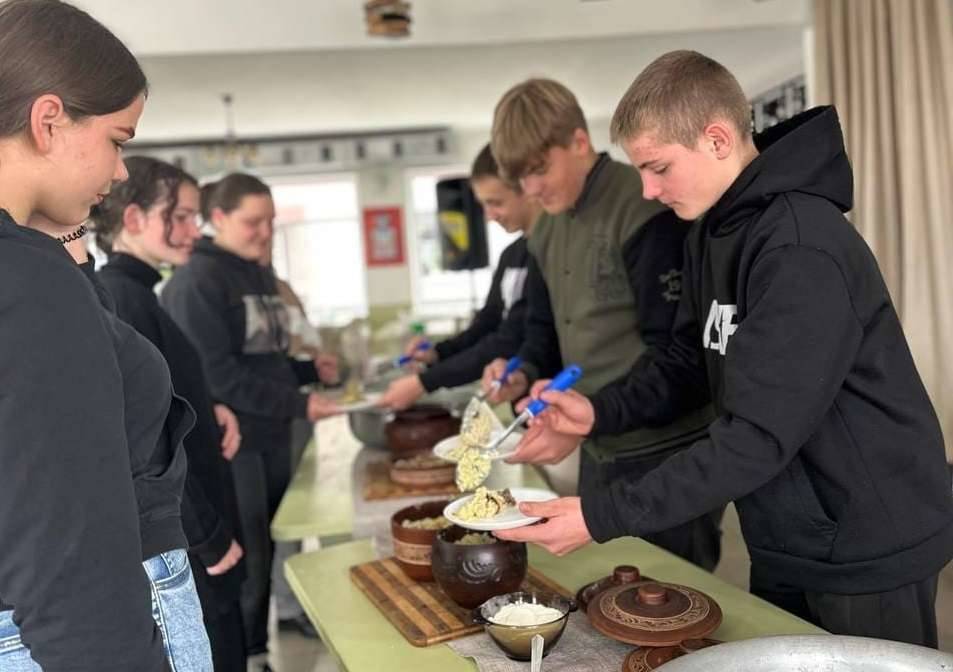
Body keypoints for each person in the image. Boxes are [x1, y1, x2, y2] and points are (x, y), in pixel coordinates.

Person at [498, 51, 953, 647]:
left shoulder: (798, 246)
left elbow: (757, 434)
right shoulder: (712, 232)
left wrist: (601, 515)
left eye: (658, 167)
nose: (648, 190)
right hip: (784, 532)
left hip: (865, 537)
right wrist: (597, 412)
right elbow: (690, 362)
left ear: (716, 140)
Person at [0, 1, 211, 670]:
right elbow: (70, 547)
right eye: (119, 140)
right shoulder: (27, 281)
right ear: (49, 121)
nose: (121, 171)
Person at [483, 78, 721, 570]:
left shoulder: (645, 207)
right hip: (599, 448)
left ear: (578, 142)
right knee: (600, 596)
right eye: (520, 179)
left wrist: (593, 412)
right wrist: (524, 371)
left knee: (673, 609)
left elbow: (682, 361)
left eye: (539, 170)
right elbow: (543, 331)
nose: (532, 189)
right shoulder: (545, 227)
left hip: (665, 456)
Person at [161, 172, 338, 670]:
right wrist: (302, 404)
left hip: (276, 431)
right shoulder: (198, 279)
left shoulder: (258, 274)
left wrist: (306, 372)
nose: (265, 232)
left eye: (271, 222)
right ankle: (252, 655)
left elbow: (262, 357)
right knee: (250, 554)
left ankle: (259, 647)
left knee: (276, 541)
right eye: (252, 222)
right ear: (217, 218)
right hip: (236, 443)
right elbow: (216, 376)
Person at [92, 156, 249, 671]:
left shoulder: (139, 293)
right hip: (188, 534)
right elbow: (142, 442)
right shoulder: (122, 298)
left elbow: (162, 396)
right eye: (178, 216)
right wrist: (206, 535)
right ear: (134, 219)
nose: (191, 230)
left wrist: (210, 406)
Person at [378, 143, 540, 410]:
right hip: (523, 405)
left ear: (527, 189)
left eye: (496, 203)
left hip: (550, 399)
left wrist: (426, 381)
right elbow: (486, 324)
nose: (488, 217)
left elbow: (509, 339)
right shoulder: (511, 255)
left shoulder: (548, 254)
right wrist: (436, 354)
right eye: (483, 205)